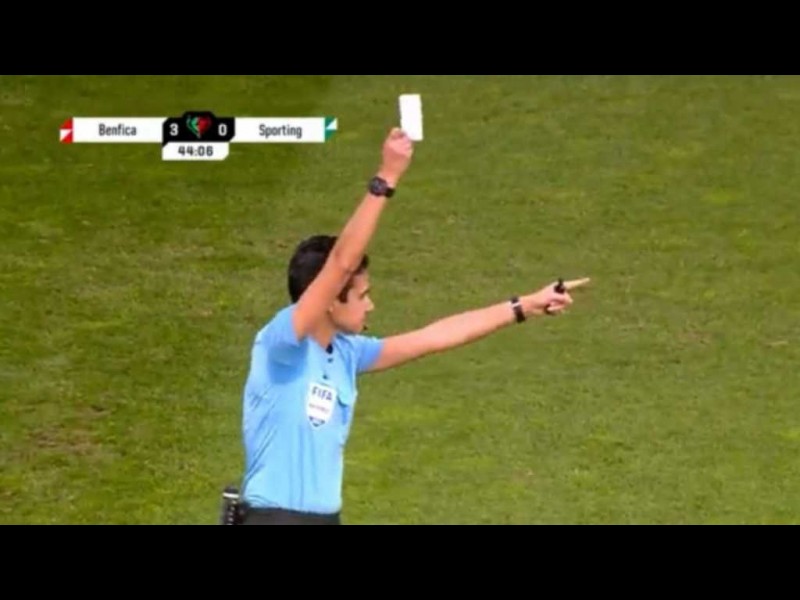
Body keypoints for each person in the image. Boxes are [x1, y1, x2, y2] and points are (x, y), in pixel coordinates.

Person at [236, 127, 590, 525]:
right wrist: (386, 177)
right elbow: (341, 263)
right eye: (362, 294)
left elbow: (435, 336)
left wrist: (525, 305)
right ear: (331, 298)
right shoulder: (282, 344)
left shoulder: (346, 353)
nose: (370, 304)